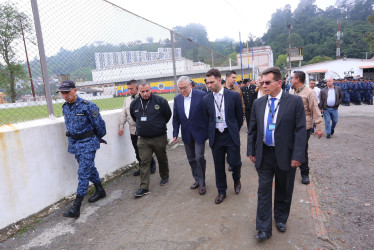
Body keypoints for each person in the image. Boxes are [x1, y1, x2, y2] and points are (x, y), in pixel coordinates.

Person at [247, 67, 306, 241]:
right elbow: (253, 130)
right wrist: (251, 151)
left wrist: (298, 155)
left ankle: (281, 218)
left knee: (284, 188)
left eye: (267, 82)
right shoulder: (258, 103)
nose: (263, 85)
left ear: (279, 83)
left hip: (286, 154)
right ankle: (263, 228)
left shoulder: (294, 102)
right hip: (264, 153)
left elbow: (300, 130)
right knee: (263, 190)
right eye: (262, 82)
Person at [58, 80, 107, 218]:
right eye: (62, 93)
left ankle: (76, 207)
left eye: (67, 92)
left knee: (83, 173)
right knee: (89, 168)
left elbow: (100, 127)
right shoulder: (65, 107)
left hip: (88, 143)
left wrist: (94, 139)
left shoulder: (88, 106)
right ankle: (100, 190)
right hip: (75, 144)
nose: (65, 95)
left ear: (75, 90)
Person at [203, 68, 243, 204]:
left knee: (235, 163)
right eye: (207, 83)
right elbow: (207, 119)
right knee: (218, 166)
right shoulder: (206, 99)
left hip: (230, 135)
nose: (208, 85)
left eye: (211, 82)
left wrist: (234, 130)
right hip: (216, 137)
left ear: (220, 80)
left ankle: (237, 180)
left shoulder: (233, 96)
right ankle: (221, 191)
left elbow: (239, 117)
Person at [130, 80, 172, 197]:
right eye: (142, 91)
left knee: (161, 157)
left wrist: (158, 125)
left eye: (147, 91)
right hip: (143, 139)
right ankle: (144, 187)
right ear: (139, 91)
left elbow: (167, 115)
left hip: (159, 136)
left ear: (151, 89)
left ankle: (164, 176)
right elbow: (134, 117)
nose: (145, 94)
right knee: (144, 162)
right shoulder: (134, 103)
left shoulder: (160, 101)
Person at [172, 76, 208, 195]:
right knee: (191, 159)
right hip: (186, 133)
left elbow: (208, 113)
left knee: (199, 157)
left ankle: (202, 183)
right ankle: (197, 179)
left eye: (184, 88)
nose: (182, 90)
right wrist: (175, 133)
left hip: (199, 132)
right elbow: (176, 118)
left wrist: (208, 130)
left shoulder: (201, 95)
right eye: (180, 88)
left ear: (190, 85)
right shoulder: (177, 99)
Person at [290, 71, 323, 185]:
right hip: (291, 126)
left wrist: (319, 127)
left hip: (304, 126)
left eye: (292, 78)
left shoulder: (309, 92)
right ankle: (291, 170)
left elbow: (315, 110)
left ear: (297, 79)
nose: (290, 80)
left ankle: (304, 173)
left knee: (302, 150)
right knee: (290, 148)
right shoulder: (291, 91)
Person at [118, 80, 156, 176]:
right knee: (137, 150)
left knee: (146, 149)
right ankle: (142, 167)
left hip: (144, 129)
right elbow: (124, 114)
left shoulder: (144, 98)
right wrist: (121, 126)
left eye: (132, 88)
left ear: (137, 88)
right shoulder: (127, 100)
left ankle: (152, 163)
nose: (130, 90)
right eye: (128, 89)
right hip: (133, 130)